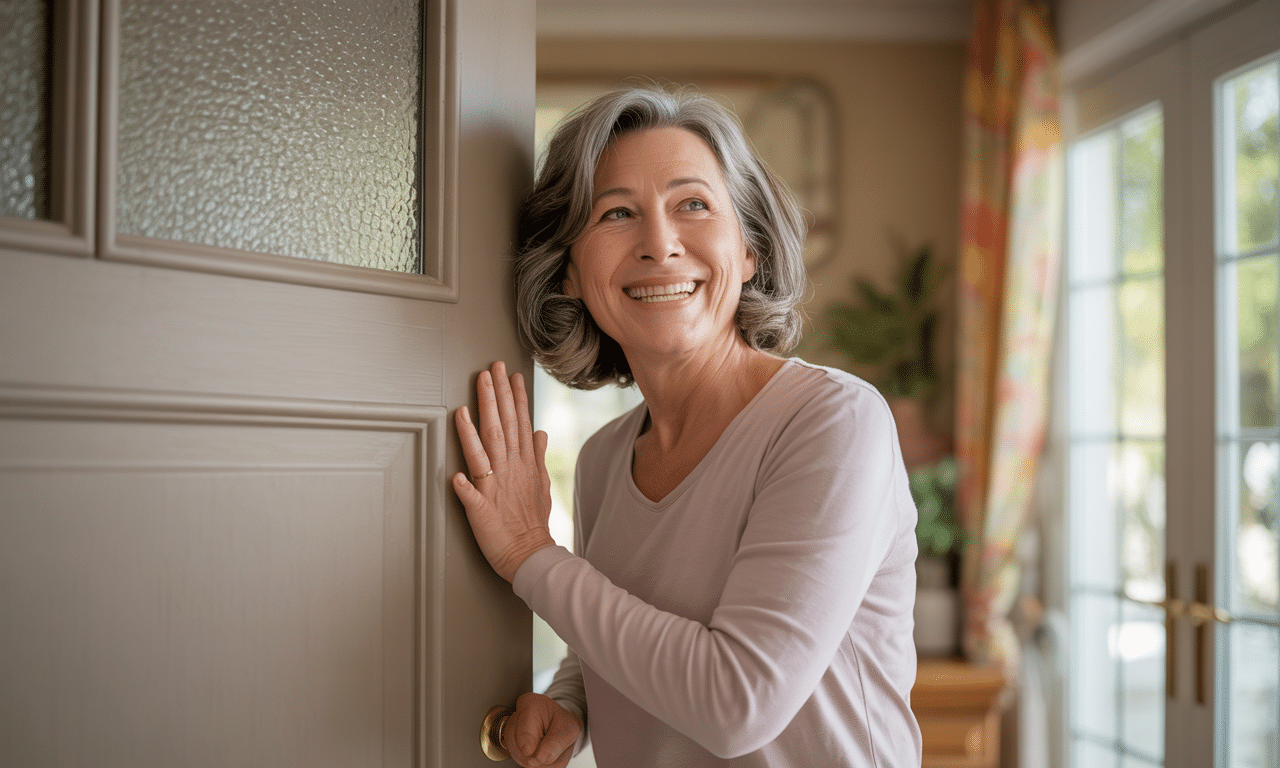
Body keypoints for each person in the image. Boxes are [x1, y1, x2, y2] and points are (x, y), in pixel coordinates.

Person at [453, 83, 921, 767]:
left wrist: (530, 553)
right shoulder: (604, 458)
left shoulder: (833, 423)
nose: (660, 244)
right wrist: (571, 703)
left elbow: (739, 703)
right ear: (569, 272)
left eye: (693, 204)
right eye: (616, 213)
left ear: (750, 248)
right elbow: (611, 629)